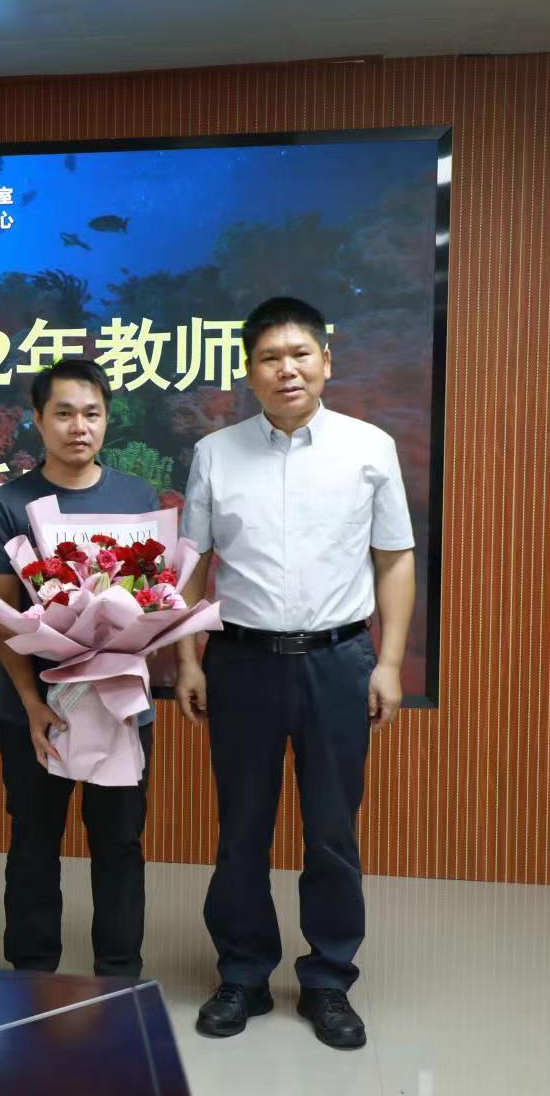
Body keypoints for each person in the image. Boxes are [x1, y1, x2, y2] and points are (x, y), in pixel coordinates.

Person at [174, 297, 415, 1048]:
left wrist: (390, 662)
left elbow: (394, 558)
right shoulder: (215, 453)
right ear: (249, 372)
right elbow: (192, 564)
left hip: (338, 661)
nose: (287, 369)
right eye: (270, 358)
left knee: (333, 830)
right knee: (241, 828)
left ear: (326, 362)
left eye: (300, 354)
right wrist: (186, 657)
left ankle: (328, 981)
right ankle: (243, 974)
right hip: (241, 660)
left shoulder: (369, 447)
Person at [0, 358, 160, 978]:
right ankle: (31, 974)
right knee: (34, 840)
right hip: (34, 707)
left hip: (120, 704)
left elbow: (154, 600)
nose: (80, 427)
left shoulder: (137, 498)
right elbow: (2, 618)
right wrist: (30, 703)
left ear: (107, 419)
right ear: (38, 420)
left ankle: (118, 972)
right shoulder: (7, 504)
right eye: (64, 413)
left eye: (92, 413)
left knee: (119, 843)